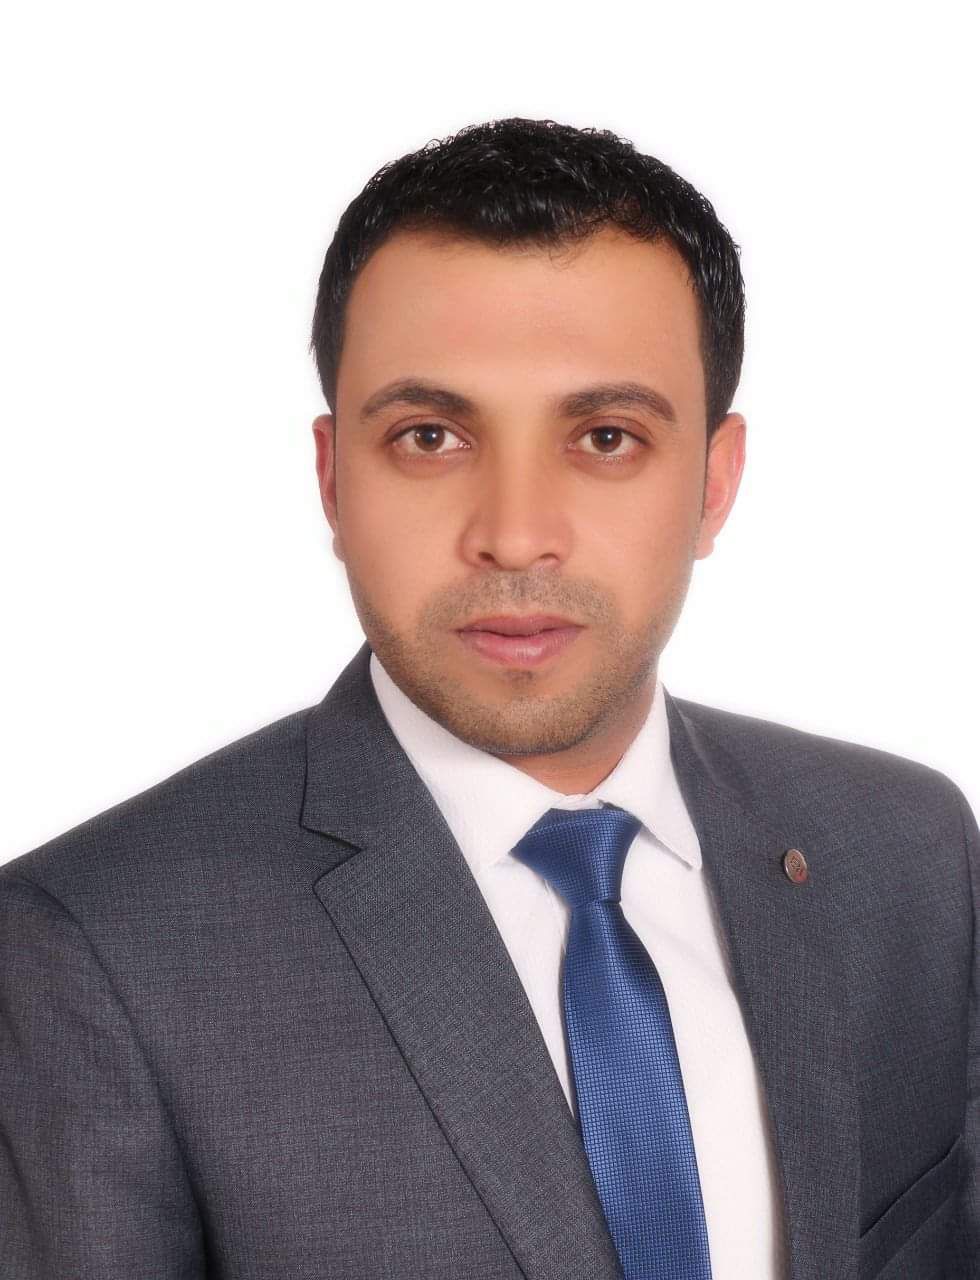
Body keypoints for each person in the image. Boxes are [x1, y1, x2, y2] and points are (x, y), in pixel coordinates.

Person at [0, 116, 976, 1280]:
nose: (513, 533)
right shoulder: (91, 946)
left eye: (605, 436)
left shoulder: (905, 852)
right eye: (429, 436)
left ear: (713, 485)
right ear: (332, 479)